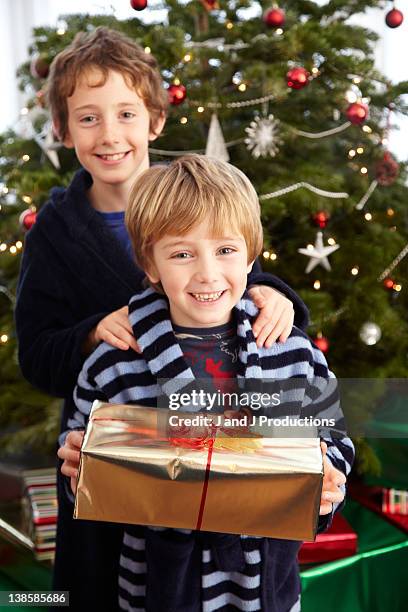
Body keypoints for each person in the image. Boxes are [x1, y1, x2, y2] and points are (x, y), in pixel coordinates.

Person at [15, 27, 310, 611]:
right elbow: (37, 356)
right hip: (117, 461)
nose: (109, 135)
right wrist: (92, 332)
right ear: (63, 129)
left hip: (229, 457)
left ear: (154, 121)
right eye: (88, 118)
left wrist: (279, 297)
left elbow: (231, 262)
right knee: (117, 588)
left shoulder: (198, 196)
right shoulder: (54, 233)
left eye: (126, 113)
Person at [59, 155, 354, 612]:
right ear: (150, 263)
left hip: (266, 588)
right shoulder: (115, 364)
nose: (207, 273)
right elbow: (86, 464)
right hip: (158, 589)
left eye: (225, 250)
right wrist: (80, 467)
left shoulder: (291, 351)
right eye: (181, 254)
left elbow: (333, 440)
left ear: (250, 255)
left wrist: (328, 482)